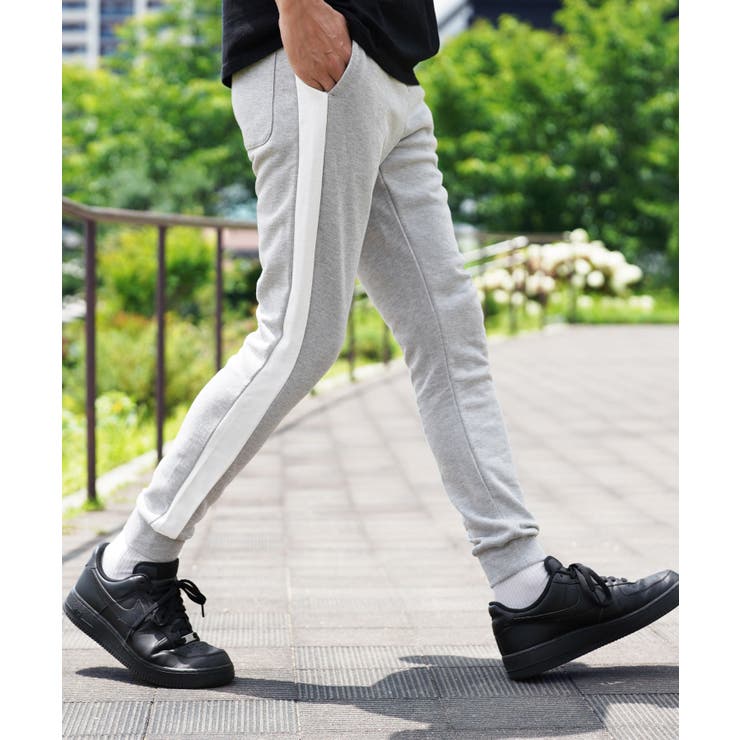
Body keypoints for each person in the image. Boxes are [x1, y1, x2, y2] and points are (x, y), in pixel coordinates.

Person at [64, 0, 678, 689]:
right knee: (297, 338)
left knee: (450, 335)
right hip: (319, 45)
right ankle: (129, 566)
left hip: (392, 68)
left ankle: (525, 588)